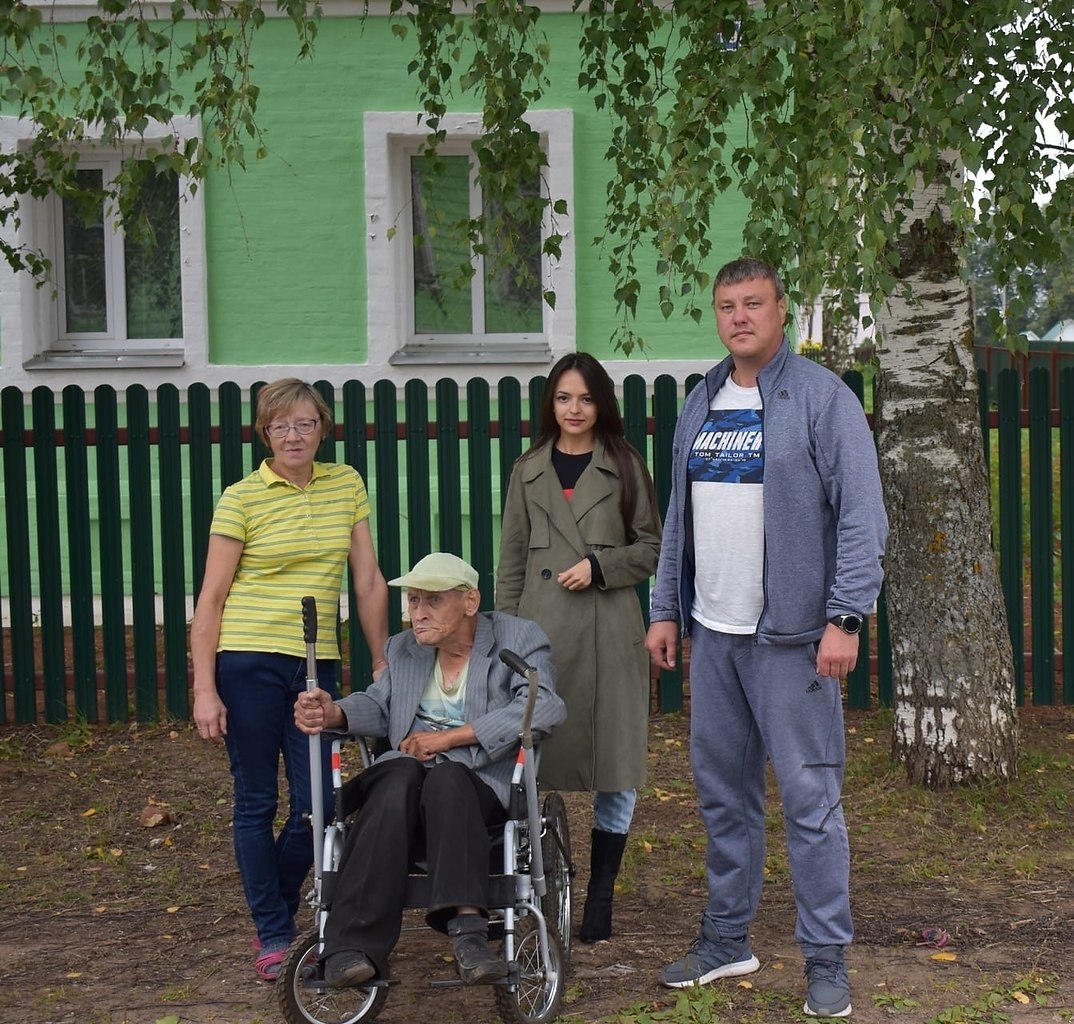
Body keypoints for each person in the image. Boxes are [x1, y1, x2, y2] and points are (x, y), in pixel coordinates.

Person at [645, 258, 888, 1018]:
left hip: (793, 642)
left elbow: (862, 516)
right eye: (726, 306)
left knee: (811, 800)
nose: (739, 317)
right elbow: (679, 516)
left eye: (753, 303)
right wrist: (664, 608)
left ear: (782, 310)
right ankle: (727, 940)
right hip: (714, 635)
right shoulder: (702, 400)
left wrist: (845, 615)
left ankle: (826, 959)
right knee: (724, 797)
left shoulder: (823, 400)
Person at [191, 377, 390, 981]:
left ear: (322, 428)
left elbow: (368, 580)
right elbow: (212, 598)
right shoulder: (242, 498)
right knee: (256, 799)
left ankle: (273, 903)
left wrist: (383, 660)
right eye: (281, 426)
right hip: (246, 660)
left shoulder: (346, 483)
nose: (294, 435)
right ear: (265, 433)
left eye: (305, 423)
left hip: (314, 665)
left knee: (320, 804)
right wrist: (205, 686)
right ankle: (275, 932)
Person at [294, 551, 566, 988]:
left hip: (476, 784)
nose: (417, 614)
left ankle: (469, 935)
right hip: (403, 780)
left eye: (431, 602)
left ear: (470, 601)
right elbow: (380, 704)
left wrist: (448, 739)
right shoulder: (403, 649)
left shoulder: (517, 638)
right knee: (398, 776)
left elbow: (545, 704)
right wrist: (334, 713)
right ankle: (349, 949)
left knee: (447, 777)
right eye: (413, 601)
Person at [496, 352, 662, 943]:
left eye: (585, 399)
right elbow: (511, 562)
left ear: (602, 404)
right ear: (551, 403)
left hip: (608, 633)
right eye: (564, 398)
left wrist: (599, 565)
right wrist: (505, 640)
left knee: (615, 763)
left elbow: (651, 549)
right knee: (527, 764)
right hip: (541, 639)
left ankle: (600, 898)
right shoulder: (527, 469)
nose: (574, 410)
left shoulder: (625, 464)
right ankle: (528, 889)